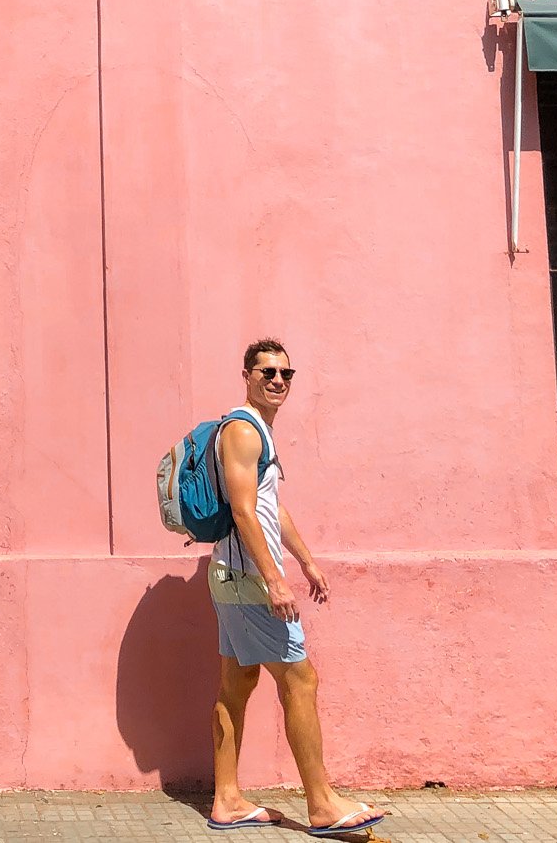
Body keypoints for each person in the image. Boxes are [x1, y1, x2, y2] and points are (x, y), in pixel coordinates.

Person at [207, 338, 387, 836]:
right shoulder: (243, 430)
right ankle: (323, 804)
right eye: (267, 372)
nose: (278, 381)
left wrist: (305, 562)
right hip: (247, 579)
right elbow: (243, 510)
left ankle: (227, 800)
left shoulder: (259, 430)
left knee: (236, 683)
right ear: (247, 374)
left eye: (287, 373)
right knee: (300, 679)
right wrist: (273, 579)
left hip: (231, 575)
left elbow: (271, 505)